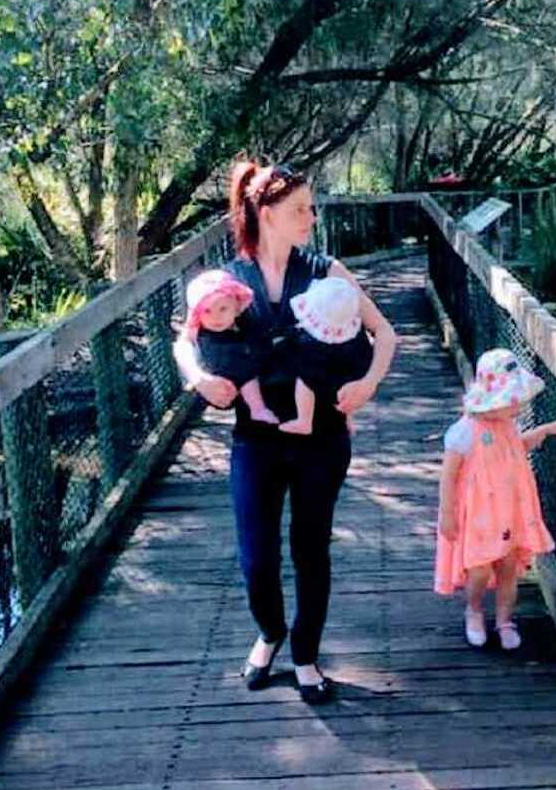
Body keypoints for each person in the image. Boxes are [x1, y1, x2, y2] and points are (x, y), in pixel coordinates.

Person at [174, 159, 397, 703]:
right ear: (264, 213)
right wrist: (200, 378)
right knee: (256, 556)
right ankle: (270, 631)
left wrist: (367, 384)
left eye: (312, 207)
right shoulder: (227, 282)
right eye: (299, 209)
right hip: (256, 437)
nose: (311, 218)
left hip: (322, 437)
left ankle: (304, 653)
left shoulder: (326, 270)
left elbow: (385, 333)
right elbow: (185, 341)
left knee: (310, 548)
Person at [434, 348, 556, 651]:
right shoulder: (463, 432)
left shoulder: (507, 425)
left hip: (510, 508)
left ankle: (505, 620)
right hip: (480, 512)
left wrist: (546, 431)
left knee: (509, 566)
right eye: (512, 401)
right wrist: (447, 512)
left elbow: (515, 447)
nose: (518, 407)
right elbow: (448, 476)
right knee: (480, 567)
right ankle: (474, 610)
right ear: (491, 402)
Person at [280, 275, 374, 435]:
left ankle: (304, 420)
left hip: (319, 365)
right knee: (348, 388)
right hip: (349, 364)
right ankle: (348, 417)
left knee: (305, 381)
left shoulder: (314, 333)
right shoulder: (352, 329)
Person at [183, 269, 279, 425]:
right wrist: (198, 377)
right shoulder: (198, 328)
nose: (216, 317)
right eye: (207, 311)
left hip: (246, 376)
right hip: (215, 377)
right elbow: (184, 341)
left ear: (236, 307)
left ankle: (257, 409)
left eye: (223, 309)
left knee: (248, 375)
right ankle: (258, 409)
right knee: (245, 374)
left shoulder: (243, 323)